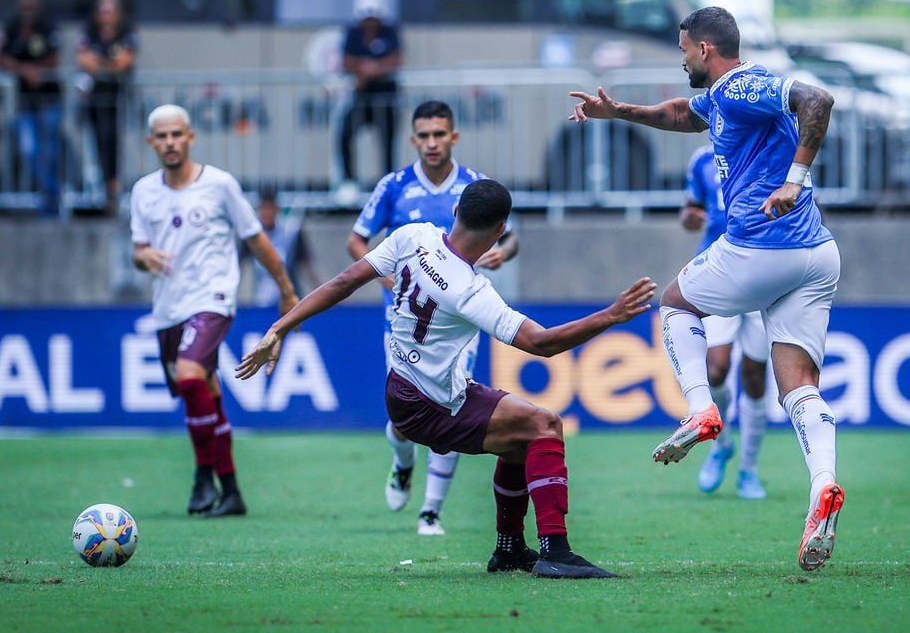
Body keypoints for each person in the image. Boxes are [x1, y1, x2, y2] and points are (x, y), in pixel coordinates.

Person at [237, 178, 655, 578]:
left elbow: (346, 280)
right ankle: (556, 551)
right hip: (430, 402)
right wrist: (611, 315)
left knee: (520, 433)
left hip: (401, 386)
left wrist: (281, 328)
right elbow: (541, 344)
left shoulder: (413, 235)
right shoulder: (470, 290)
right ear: (499, 231)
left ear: (455, 210)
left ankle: (509, 548)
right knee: (545, 426)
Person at [569, 6, 845, 572]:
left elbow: (817, 100)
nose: (681, 58)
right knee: (799, 386)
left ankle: (700, 410)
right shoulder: (721, 98)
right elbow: (680, 114)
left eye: (683, 50)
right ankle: (823, 486)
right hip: (816, 256)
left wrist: (793, 179)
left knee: (673, 303)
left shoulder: (743, 86)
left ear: (704, 50)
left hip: (762, 248)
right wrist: (619, 112)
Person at [348, 100, 519, 535]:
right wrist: (387, 281)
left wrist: (502, 252)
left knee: (451, 404)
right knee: (404, 421)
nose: (431, 143)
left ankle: (431, 511)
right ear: (413, 140)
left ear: (453, 137)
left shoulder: (476, 185)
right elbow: (357, 241)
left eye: (439, 134)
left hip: (459, 322)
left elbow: (511, 237)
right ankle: (403, 463)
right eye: (423, 135)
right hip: (404, 321)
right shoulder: (394, 186)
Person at [130, 104, 299, 518]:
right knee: (208, 394)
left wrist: (286, 290)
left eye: (176, 135)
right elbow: (137, 252)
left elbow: (257, 240)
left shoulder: (220, 185)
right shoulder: (143, 192)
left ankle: (203, 474)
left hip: (213, 300)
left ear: (190, 137)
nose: (170, 142)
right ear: (152, 142)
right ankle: (232, 491)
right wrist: (145, 256)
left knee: (190, 377)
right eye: (162, 136)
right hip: (168, 308)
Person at [681, 143, 771, 500]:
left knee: (754, 374)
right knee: (715, 370)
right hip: (719, 271)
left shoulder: (772, 150)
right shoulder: (701, 157)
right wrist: (689, 216)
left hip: (766, 273)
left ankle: (749, 470)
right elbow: (691, 207)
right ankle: (723, 444)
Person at [0, 0, 63, 215]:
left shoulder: (48, 28)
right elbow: (1, 58)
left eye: (32, 7)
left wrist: (38, 71)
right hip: (24, 103)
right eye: (24, 7)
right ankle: (43, 198)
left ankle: (51, 203)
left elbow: (54, 58)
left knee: (50, 153)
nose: (28, 12)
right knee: (29, 151)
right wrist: (24, 70)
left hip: (49, 101)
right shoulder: (11, 29)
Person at [76, 0, 137, 212]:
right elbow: (83, 59)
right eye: (102, 11)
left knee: (112, 144)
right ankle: (99, 191)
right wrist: (106, 64)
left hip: (115, 99)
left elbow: (123, 62)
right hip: (93, 100)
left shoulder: (126, 34)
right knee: (97, 145)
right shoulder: (90, 34)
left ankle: (113, 193)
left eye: (110, 11)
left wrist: (101, 64)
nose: (106, 16)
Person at [337, 0, 402, 194]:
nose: (370, 24)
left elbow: (396, 59)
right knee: (345, 134)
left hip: (386, 98)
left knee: (387, 141)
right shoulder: (353, 33)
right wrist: (366, 67)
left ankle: (387, 184)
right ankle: (349, 181)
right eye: (366, 19)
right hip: (361, 98)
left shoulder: (390, 32)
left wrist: (371, 70)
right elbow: (346, 61)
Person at [250, 188, 319, 307]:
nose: (268, 213)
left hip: (291, 298)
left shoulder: (291, 232)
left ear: (277, 209)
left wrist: (320, 294)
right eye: (264, 208)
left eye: (270, 208)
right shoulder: (253, 234)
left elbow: (306, 265)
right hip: (261, 299)